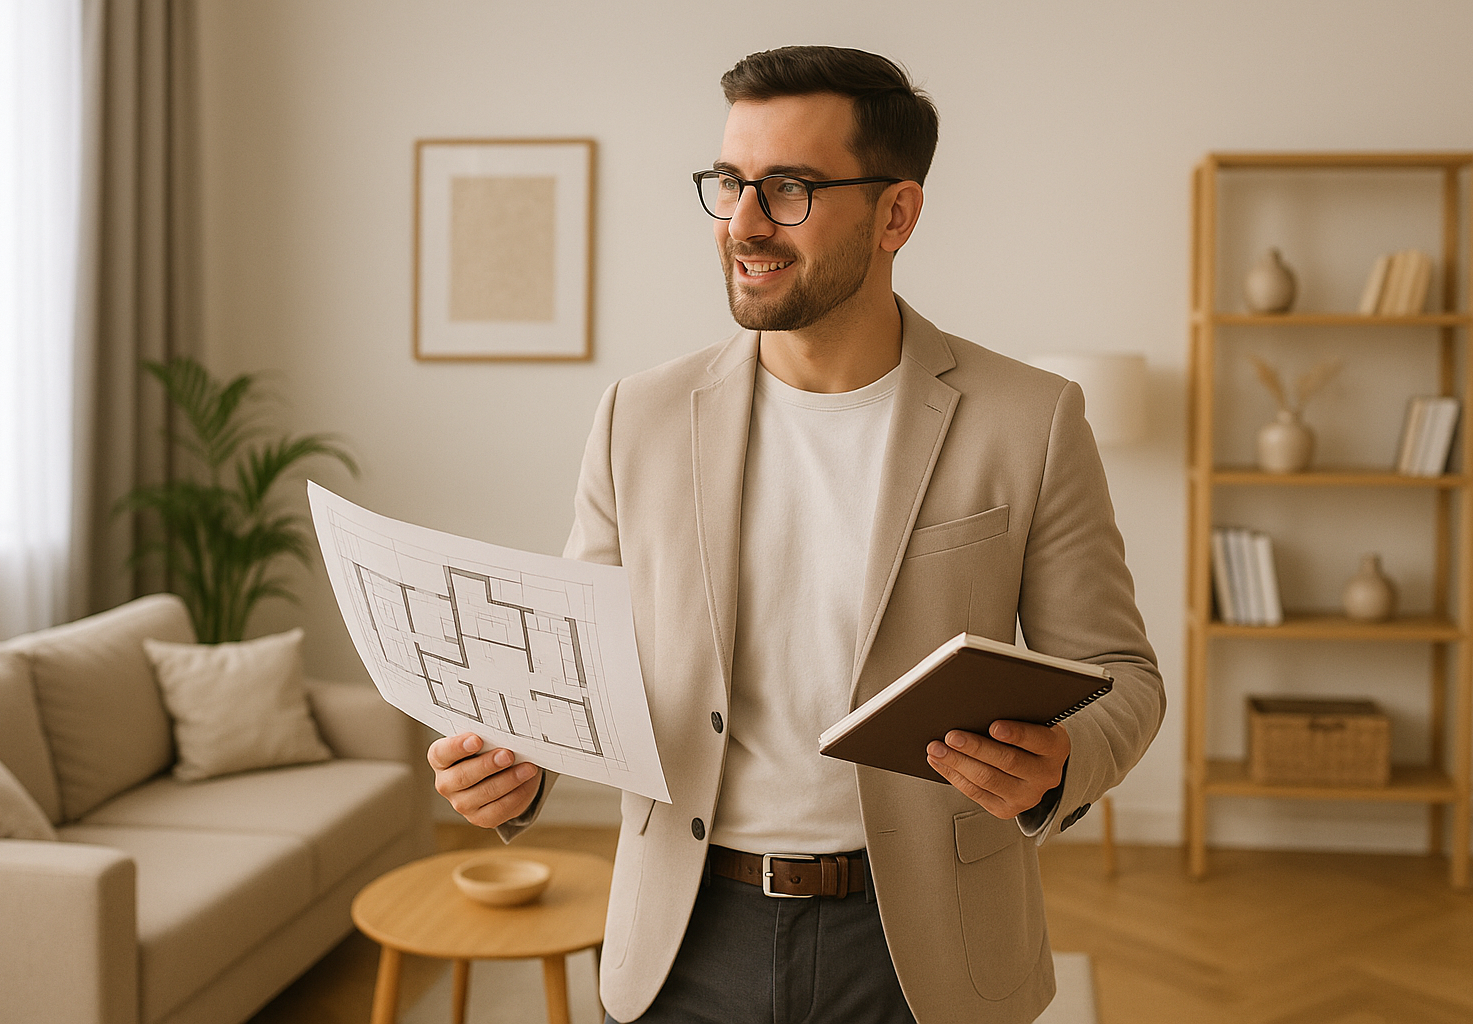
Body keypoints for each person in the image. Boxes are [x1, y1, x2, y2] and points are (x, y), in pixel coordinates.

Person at [428, 45, 1163, 1024]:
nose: (742, 223)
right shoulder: (636, 417)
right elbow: (580, 676)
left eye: (787, 188)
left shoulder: (1030, 419)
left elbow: (1122, 673)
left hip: (927, 948)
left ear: (896, 213)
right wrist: (515, 773)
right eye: (729, 183)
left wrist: (1063, 758)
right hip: (683, 934)